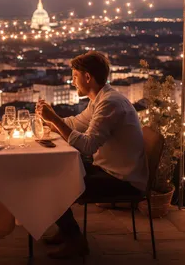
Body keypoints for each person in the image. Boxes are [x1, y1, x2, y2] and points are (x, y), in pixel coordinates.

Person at [36, 51, 148, 259]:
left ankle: (75, 241)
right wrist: (49, 119)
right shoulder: (101, 99)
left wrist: (54, 120)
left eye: (75, 76)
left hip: (123, 179)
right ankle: (66, 232)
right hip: (110, 169)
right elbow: (76, 123)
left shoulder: (110, 103)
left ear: (88, 77)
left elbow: (87, 146)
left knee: (52, 182)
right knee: (51, 172)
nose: (72, 82)